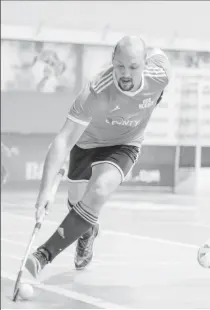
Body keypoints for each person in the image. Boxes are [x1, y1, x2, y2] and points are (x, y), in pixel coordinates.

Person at [25, 36, 170, 278]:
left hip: (125, 143)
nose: (125, 73)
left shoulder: (160, 75)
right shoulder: (96, 91)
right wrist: (43, 192)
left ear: (145, 64)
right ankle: (87, 231)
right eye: (120, 66)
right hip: (86, 144)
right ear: (112, 61)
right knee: (77, 202)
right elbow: (62, 140)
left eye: (133, 67)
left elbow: (159, 54)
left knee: (100, 189)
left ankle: (42, 256)